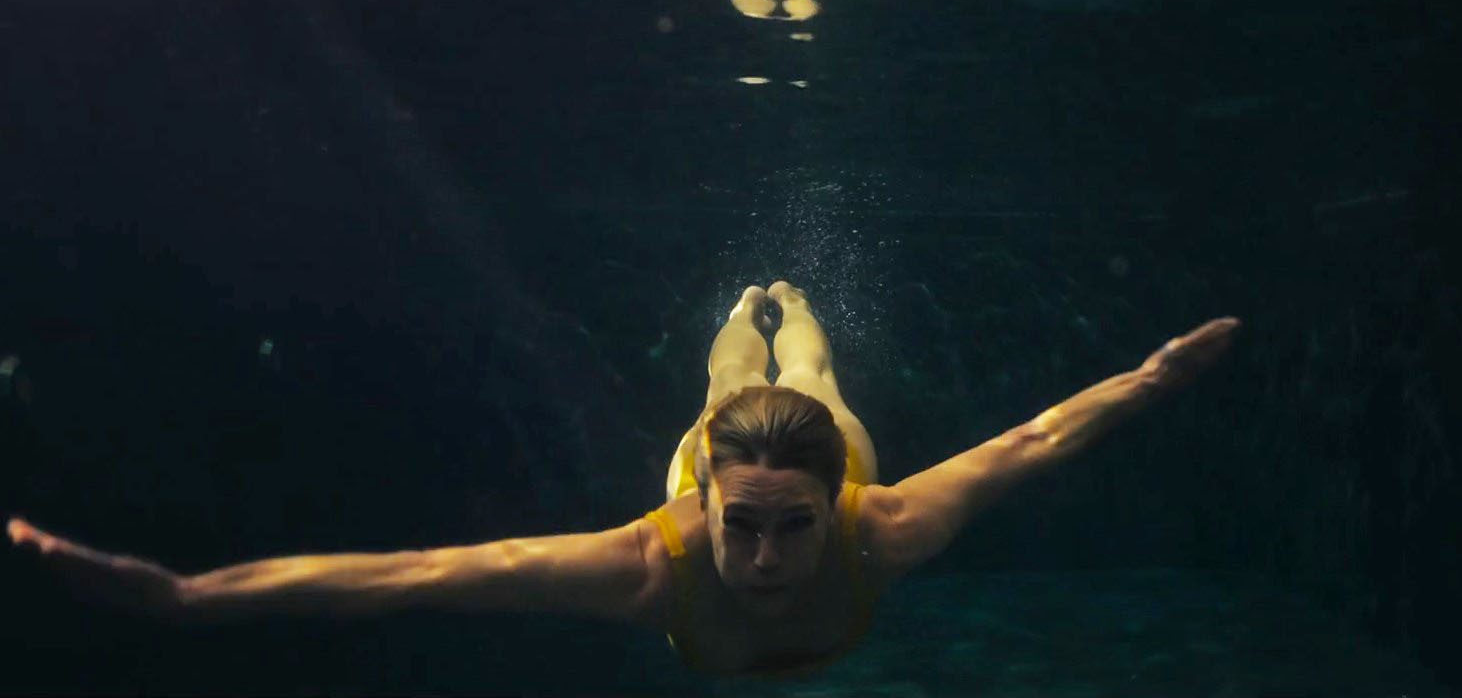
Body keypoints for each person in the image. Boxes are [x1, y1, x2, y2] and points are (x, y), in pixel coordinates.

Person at [8, 280, 1240, 678]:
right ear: (702, 503)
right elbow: (415, 575)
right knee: (729, 381)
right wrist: (190, 596)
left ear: (835, 509)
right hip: (727, 444)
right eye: (742, 527)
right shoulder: (649, 561)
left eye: (793, 529)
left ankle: (792, 299)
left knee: (811, 375)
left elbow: (1035, 440)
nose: (764, 560)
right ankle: (744, 305)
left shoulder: (887, 520)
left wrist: (1150, 377)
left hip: (820, 440)